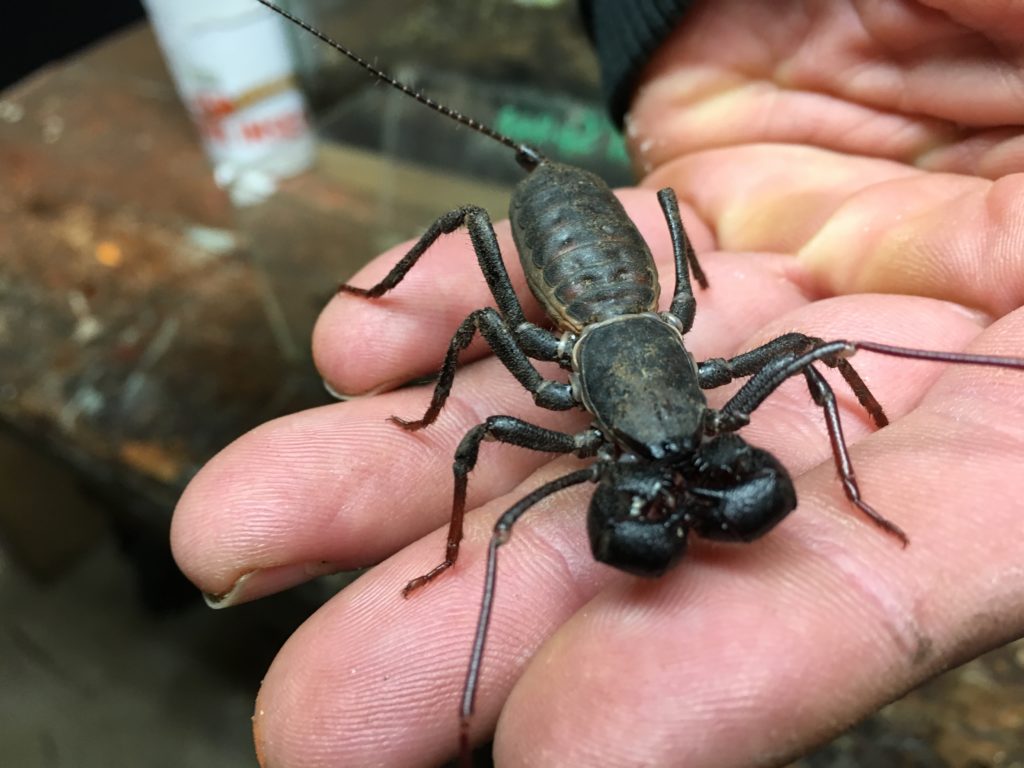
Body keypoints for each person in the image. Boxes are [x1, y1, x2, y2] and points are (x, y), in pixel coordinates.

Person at [171, 1, 1024, 765]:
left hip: (624, 291)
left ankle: (857, 486)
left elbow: (806, 341)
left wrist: (853, 488)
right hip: (573, 268)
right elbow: (477, 338)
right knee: (475, 284)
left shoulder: (682, 335)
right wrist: (437, 419)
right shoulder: (558, 390)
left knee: (817, 350)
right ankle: (385, 306)